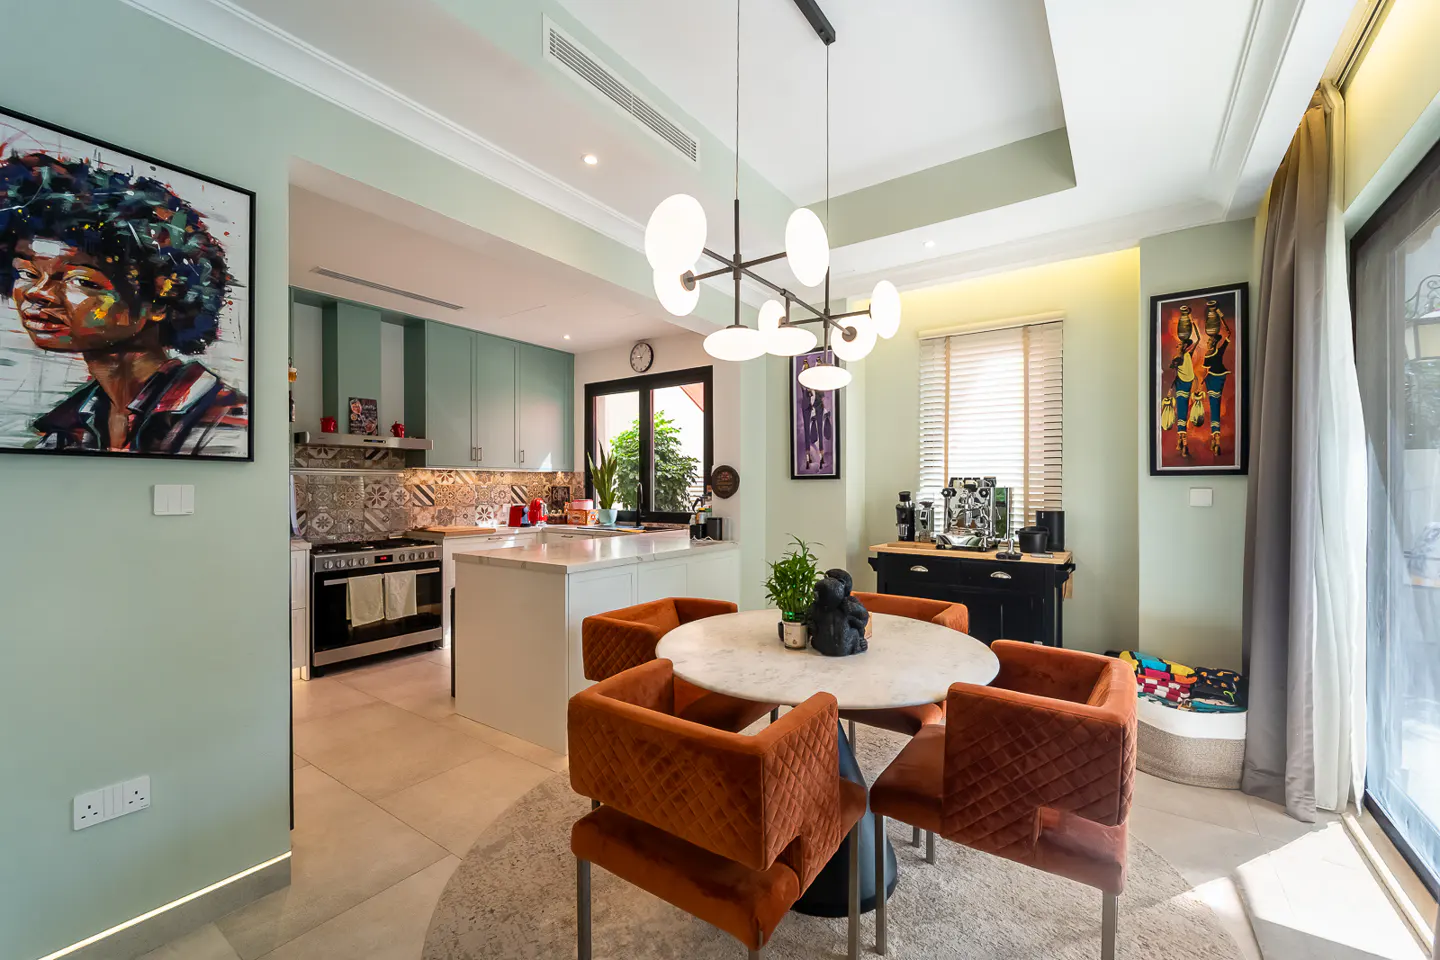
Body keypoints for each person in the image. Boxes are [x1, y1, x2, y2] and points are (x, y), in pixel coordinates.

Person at [0, 151, 247, 455]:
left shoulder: (224, 421)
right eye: (26, 273)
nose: (37, 293)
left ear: (161, 300)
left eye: (81, 280)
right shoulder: (69, 427)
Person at [1166, 304, 1201, 458]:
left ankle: (1182, 441)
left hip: (1186, 385)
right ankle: (1182, 442)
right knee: (1182, 413)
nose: (1178, 344)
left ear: (1184, 345)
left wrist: (1192, 321)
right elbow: (1173, 369)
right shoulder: (1178, 358)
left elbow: (1198, 339)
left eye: (1180, 344)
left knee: (1183, 412)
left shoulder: (1187, 354)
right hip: (1182, 385)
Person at [1201, 299, 1233, 456]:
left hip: (1216, 379)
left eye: (1209, 340)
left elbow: (1228, 333)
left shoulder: (1218, 351)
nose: (1207, 342)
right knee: (1214, 406)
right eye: (1207, 341)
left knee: (1215, 405)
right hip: (1213, 379)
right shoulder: (1208, 354)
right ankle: (1216, 436)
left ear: (1214, 342)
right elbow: (1206, 370)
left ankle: (1216, 436)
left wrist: (1220, 316)